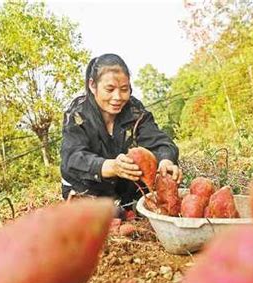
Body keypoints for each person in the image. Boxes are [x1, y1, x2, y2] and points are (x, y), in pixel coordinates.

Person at [60, 53, 182, 212]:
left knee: (149, 208)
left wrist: (166, 161)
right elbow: (73, 158)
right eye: (109, 89)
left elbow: (161, 142)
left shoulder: (135, 111)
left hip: (125, 188)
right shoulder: (77, 114)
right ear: (92, 85)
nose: (117, 97)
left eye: (124, 89)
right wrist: (111, 167)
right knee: (112, 214)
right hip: (87, 187)